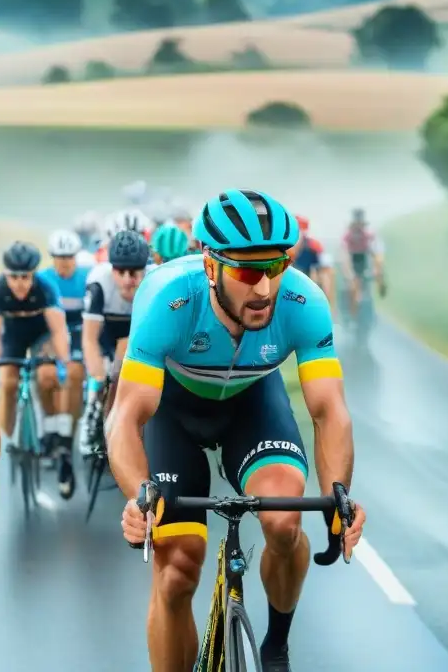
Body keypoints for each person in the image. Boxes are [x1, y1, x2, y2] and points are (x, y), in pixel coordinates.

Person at [106, 188, 366, 672]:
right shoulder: (169, 299)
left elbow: (329, 410)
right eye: (248, 271)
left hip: (252, 403)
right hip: (175, 411)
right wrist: (138, 494)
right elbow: (127, 417)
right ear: (210, 267)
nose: (264, 288)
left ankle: (276, 644)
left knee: (285, 521)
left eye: (275, 267)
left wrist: (338, 498)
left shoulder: (303, 300)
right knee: (177, 569)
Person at [0, 242, 71, 453]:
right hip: (13, 336)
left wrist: (64, 362)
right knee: (6, 383)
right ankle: (5, 441)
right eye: (14, 277)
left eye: (25, 277)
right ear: (5, 274)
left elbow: (58, 330)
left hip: (41, 335)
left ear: (33, 274)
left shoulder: (45, 287)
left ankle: (51, 431)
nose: (19, 283)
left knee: (47, 376)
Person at [78, 230, 150, 456]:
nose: (129, 280)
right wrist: (98, 379)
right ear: (112, 269)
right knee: (106, 377)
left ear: (145, 268)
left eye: (135, 272)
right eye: (121, 272)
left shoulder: (155, 279)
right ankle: (92, 412)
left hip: (138, 333)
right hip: (107, 333)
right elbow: (89, 339)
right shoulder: (99, 282)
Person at [36, 230, 91, 498]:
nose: (65, 263)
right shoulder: (43, 280)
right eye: (59, 258)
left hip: (79, 335)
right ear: (52, 259)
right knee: (45, 378)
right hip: (51, 334)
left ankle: (65, 440)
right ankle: (49, 431)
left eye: (69, 257)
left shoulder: (87, 278)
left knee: (74, 376)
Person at [340, 207, 385, 320]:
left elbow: (375, 252)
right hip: (351, 264)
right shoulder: (348, 236)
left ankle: (370, 313)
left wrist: (377, 270)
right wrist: (348, 273)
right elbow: (345, 255)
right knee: (351, 288)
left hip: (364, 265)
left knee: (367, 289)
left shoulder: (368, 235)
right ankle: (349, 314)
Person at [290, 214, 337, 319]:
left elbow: (326, 267)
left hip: (310, 275)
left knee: (326, 276)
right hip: (293, 277)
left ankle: (328, 308)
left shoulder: (314, 245)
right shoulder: (286, 246)